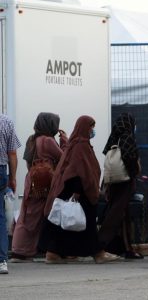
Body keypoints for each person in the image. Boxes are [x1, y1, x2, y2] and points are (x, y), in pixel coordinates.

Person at [39, 115, 119, 264]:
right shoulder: (81, 145)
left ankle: (53, 252)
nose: (92, 130)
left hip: (73, 190)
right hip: (79, 191)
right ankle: (98, 253)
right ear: (84, 128)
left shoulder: (75, 144)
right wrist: (77, 190)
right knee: (86, 223)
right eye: (91, 127)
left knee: (65, 223)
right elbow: (77, 170)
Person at [10, 113, 68, 262]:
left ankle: (19, 249)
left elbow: (28, 163)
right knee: (38, 216)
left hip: (33, 179)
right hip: (45, 181)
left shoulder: (32, 139)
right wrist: (64, 141)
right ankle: (23, 251)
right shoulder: (48, 141)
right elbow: (63, 158)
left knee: (26, 214)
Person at [98, 113, 142, 259]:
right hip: (125, 181)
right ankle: (100, 245)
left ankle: (123, 248)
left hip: (112, 182)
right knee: (116, 214)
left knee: (121, 214)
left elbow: (107, 157)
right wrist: (135, 172)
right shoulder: (128, 137)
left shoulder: (113, 137)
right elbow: (130, 158)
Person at [0, 114, 21, 274]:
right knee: (0, 216)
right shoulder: (6, 121)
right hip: (1, 170)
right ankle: (2, 261)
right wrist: (13, 178)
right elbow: (12, 154)